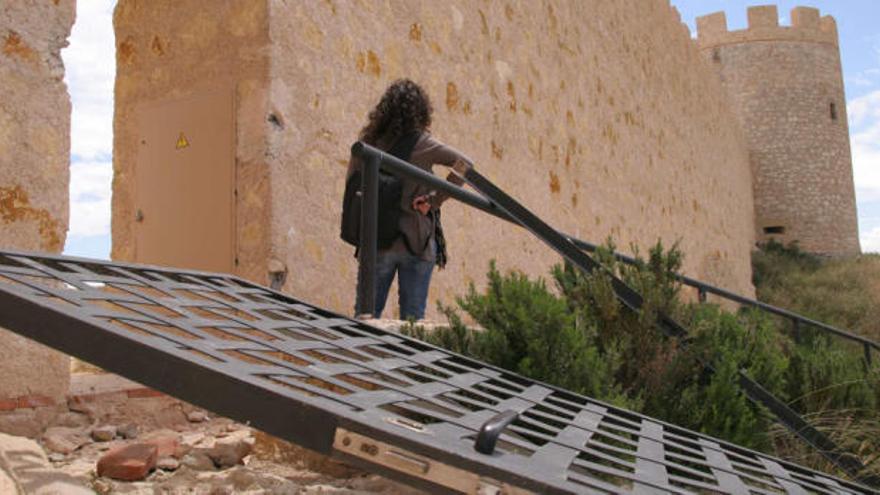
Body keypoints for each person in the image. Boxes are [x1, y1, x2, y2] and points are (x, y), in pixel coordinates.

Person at [347, 79, 473, 320]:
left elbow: (353, 183)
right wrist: (433, 200)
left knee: (364, 320)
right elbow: (465, 165)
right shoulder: (423, 144)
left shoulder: (370, 142)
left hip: (377, 242)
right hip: (417, 241)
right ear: (421, 111)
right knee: (413, 326)